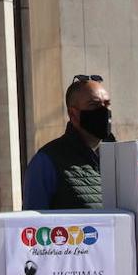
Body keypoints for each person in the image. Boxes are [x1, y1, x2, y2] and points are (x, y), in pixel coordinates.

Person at [22, 74, 114, 210]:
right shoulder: (47, 162)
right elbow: (33, 224)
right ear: (73, 114)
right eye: (94, 105)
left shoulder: (119, 158)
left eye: (107, 104)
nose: (104, 111)